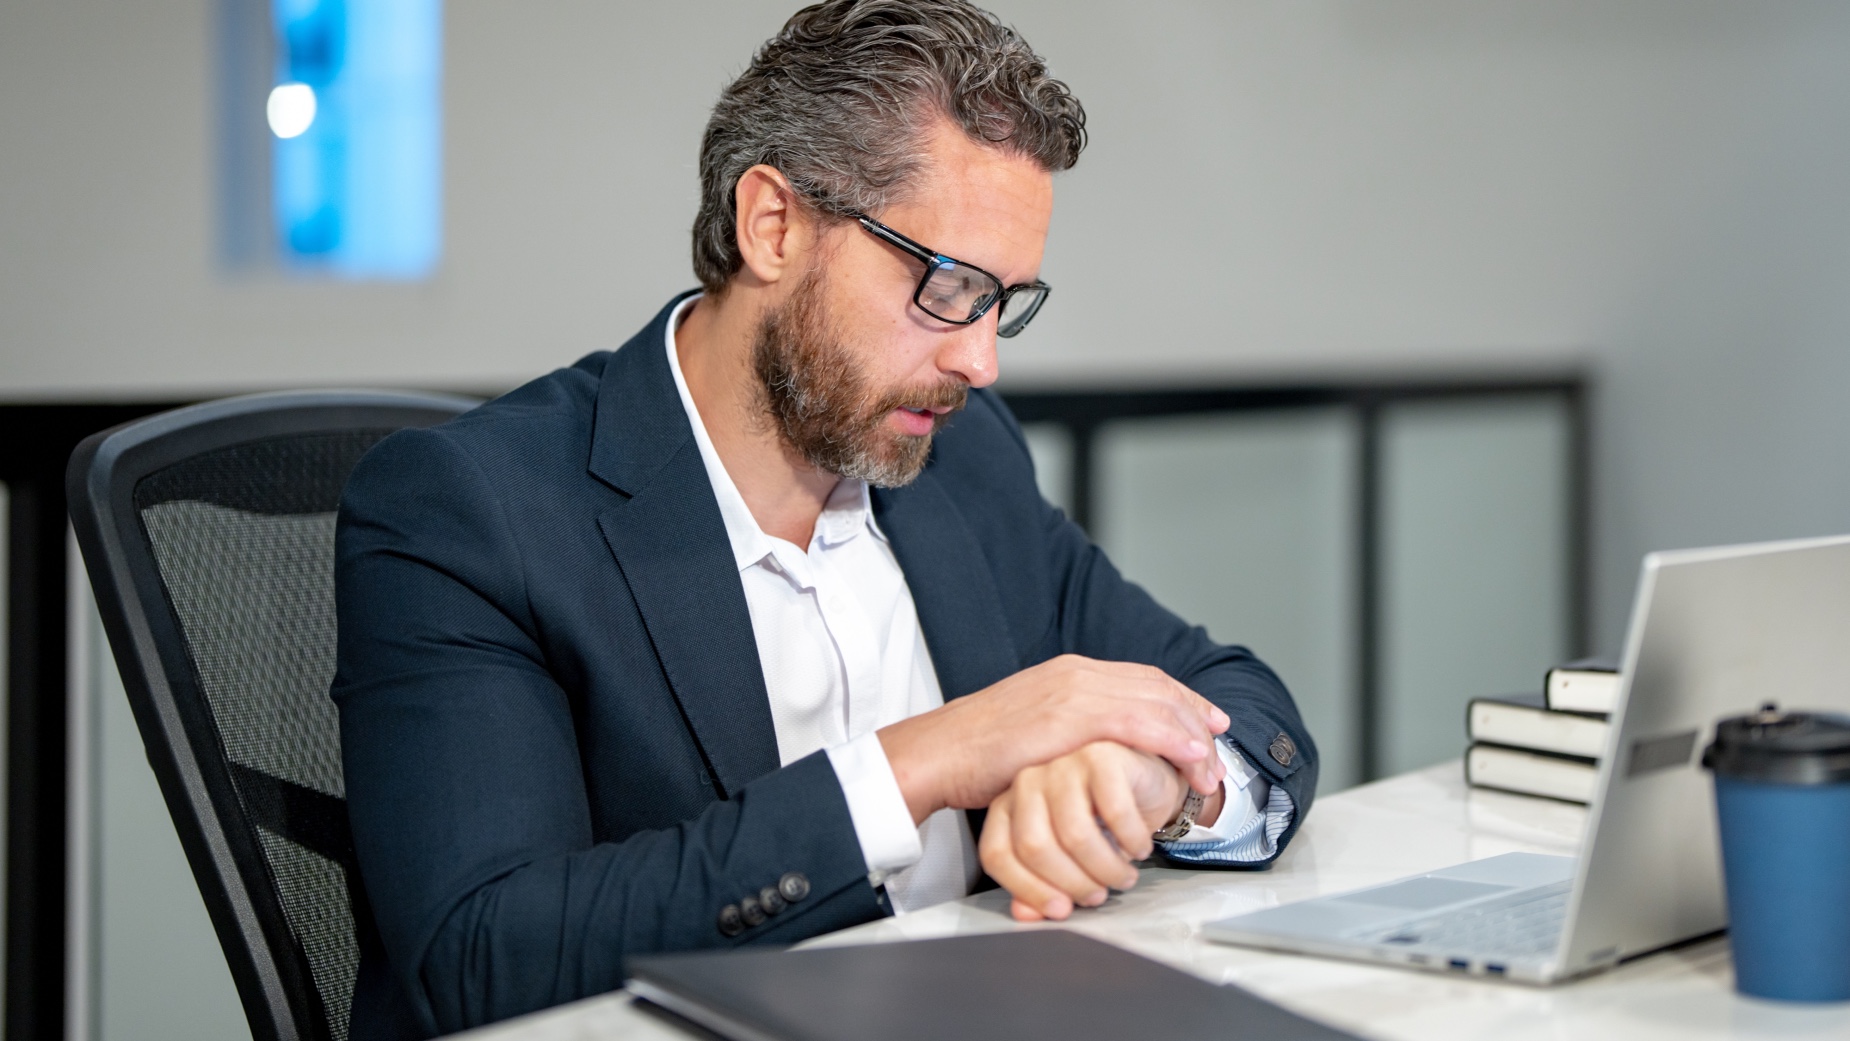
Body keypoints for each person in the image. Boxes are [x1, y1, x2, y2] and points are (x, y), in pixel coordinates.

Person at [333, 1, 1317, 1037]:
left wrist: (1148, 775)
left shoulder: (962, 461)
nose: (980, 362)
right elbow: (484, 956)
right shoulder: (472, 513)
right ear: (774, 225)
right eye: (947, 286)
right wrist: (924, 760)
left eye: (1004, 303)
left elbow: (1239, 701)